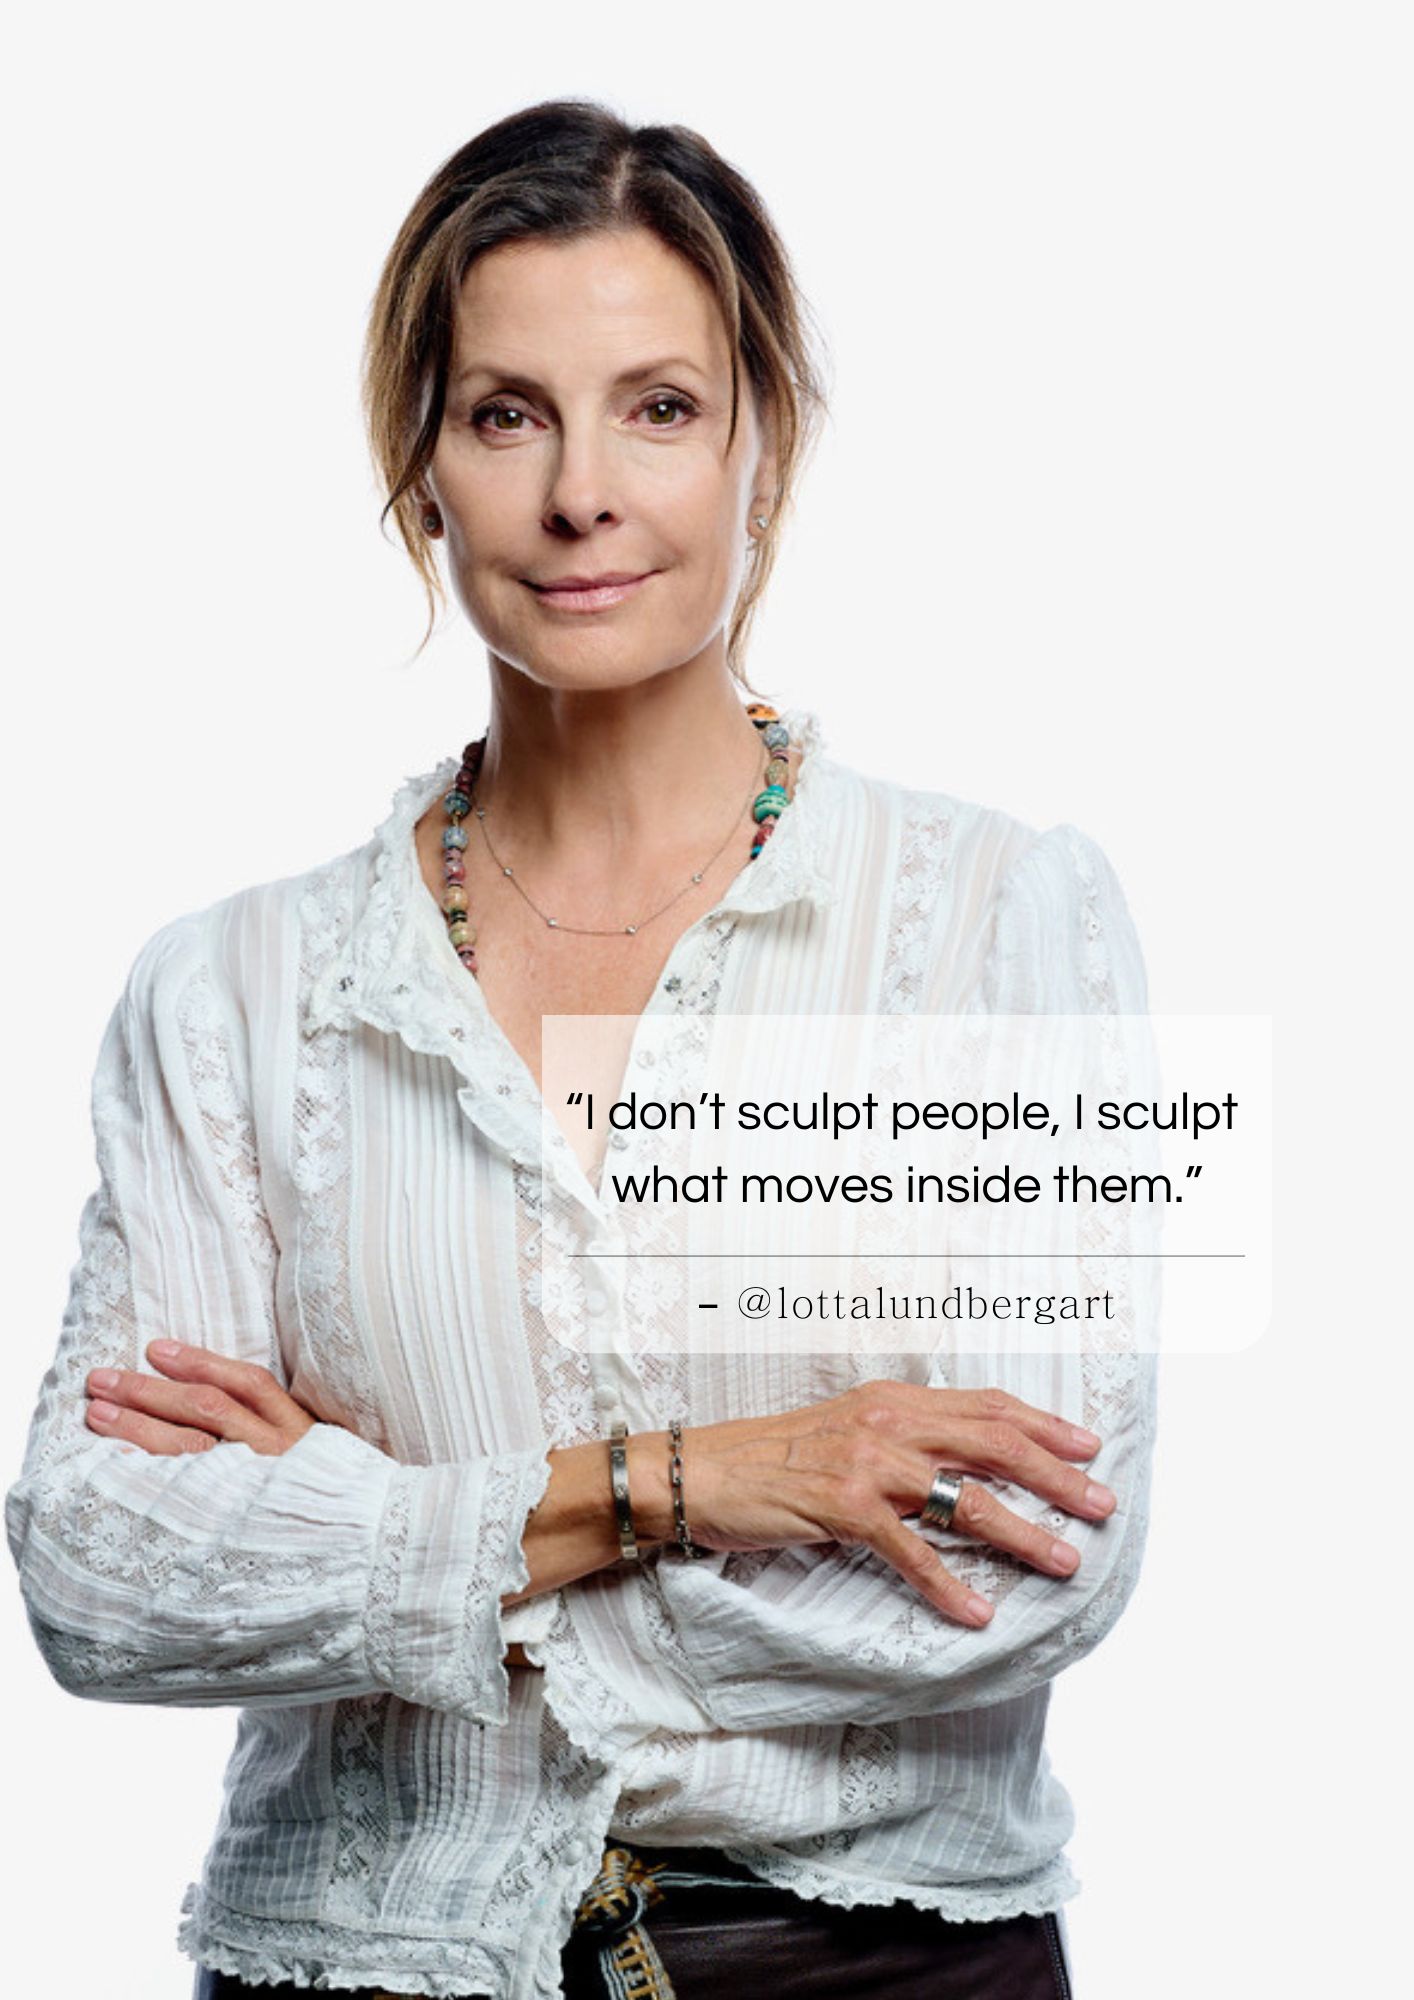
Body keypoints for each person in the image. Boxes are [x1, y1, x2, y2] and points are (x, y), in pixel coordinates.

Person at [4, 99, 1155, 2000]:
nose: (581, 494)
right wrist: (687, 1479)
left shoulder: (1004, 919)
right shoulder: (226, 988)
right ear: (420, 471)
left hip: (861, 1968)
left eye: (661, 408)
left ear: (764, 448)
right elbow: (99, 1576)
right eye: (505, 414)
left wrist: (383, 1534)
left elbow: (1045, 1556)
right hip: (349, 1971)